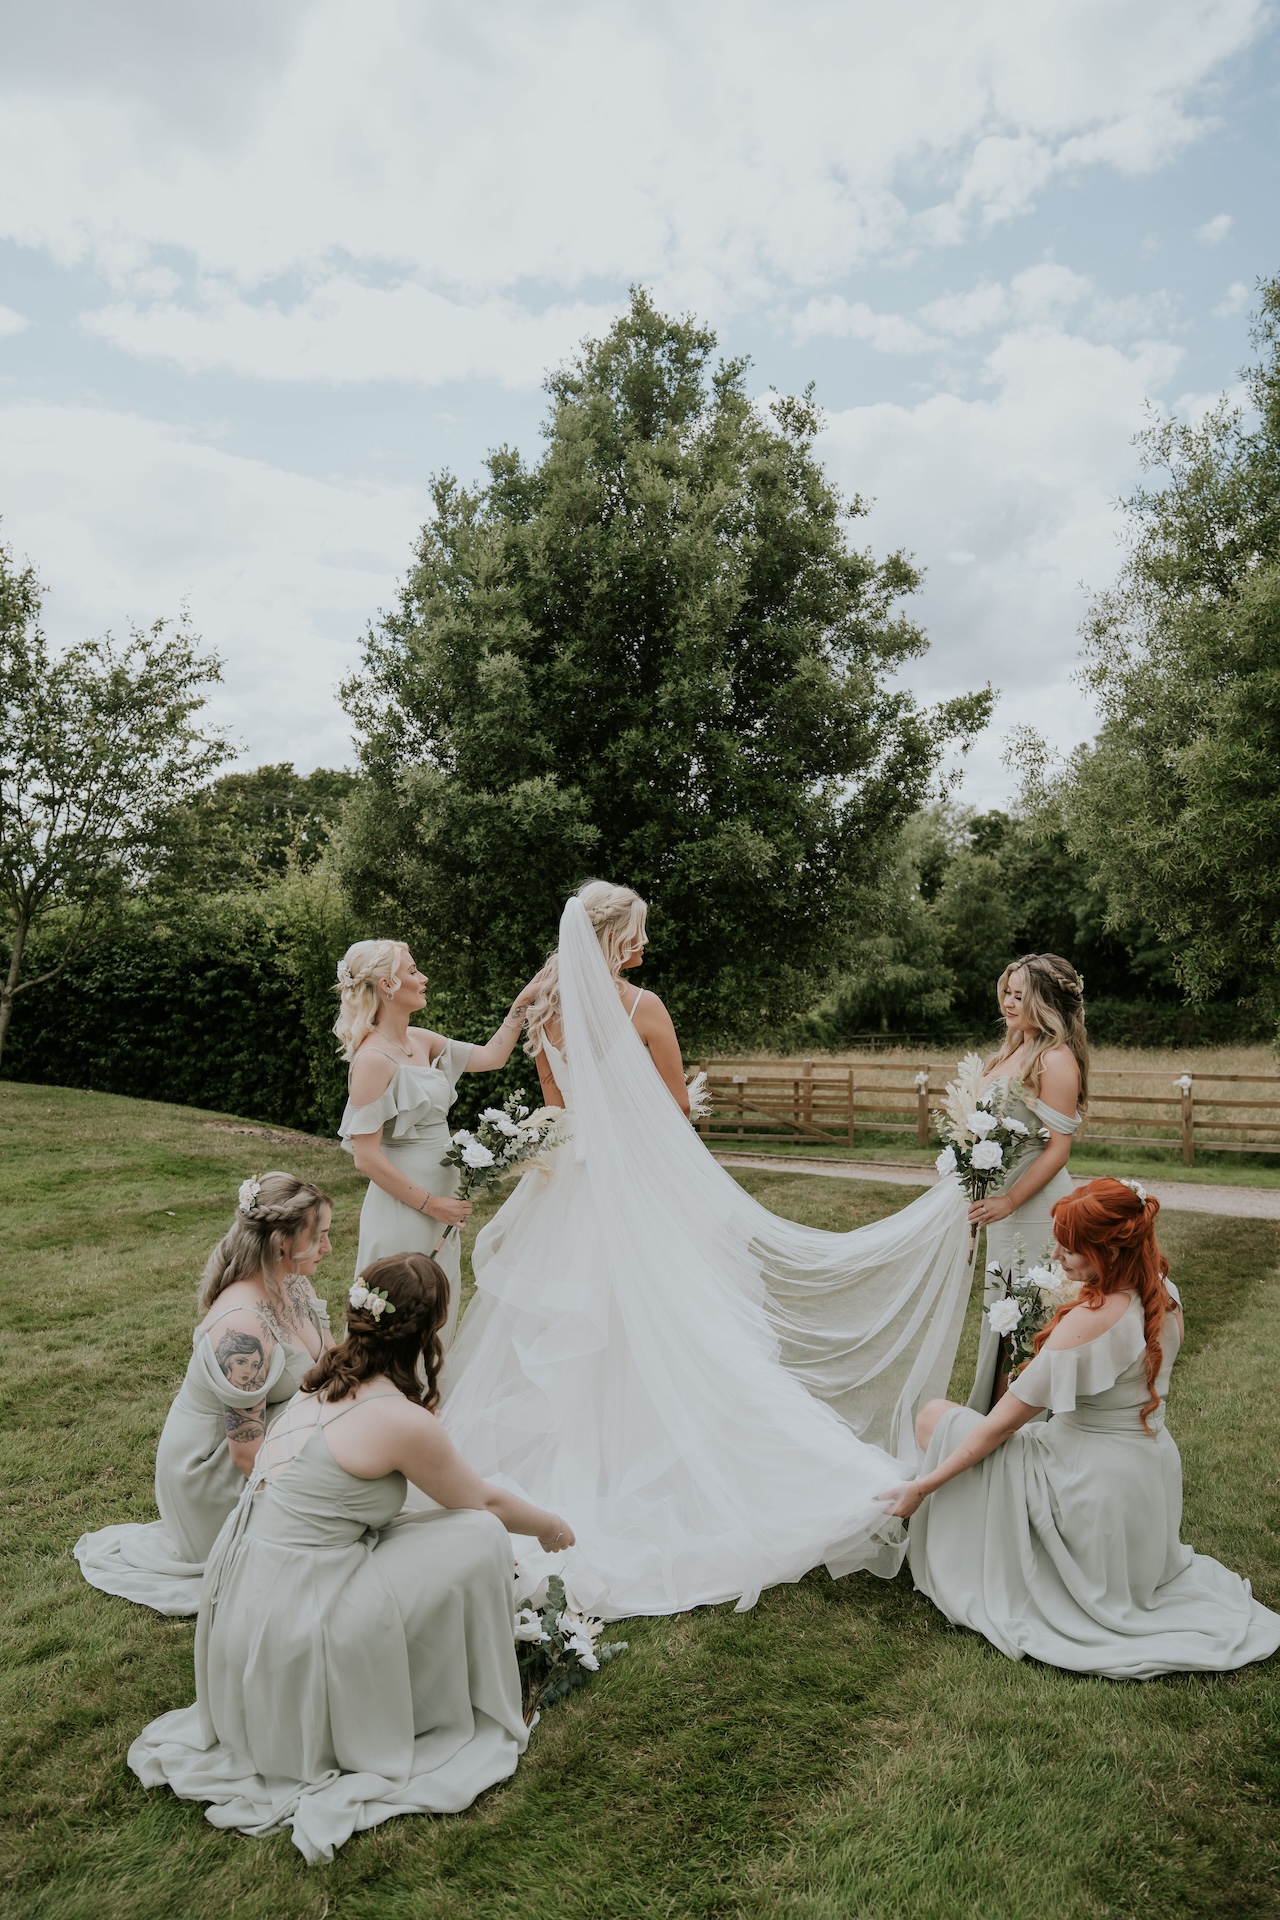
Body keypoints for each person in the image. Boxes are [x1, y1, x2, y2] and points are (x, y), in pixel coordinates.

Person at [441, 881, 976, 1621]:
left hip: (569, 1191)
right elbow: (675, 1113)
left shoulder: (544, 1013)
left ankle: (577, 1475)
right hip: (635, 1189)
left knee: (566, 1334)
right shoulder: (642, 1008)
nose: (645, 945)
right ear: (609, 938)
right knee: (683, 1325)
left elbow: (558, 1113)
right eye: (636, 933)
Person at [129, 1253, 573, 1864]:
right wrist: (550, 1526)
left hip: (240, 1606)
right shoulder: (396, 1417)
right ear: (429, 1332)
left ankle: (409, 1671)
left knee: (423, 1529)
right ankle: (431, 1692)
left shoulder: (320, 1379)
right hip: (295, 1618)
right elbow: (483, 1500)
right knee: (477, 1536)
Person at [887, 1179, 1280, 1678]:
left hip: (1087, 1488)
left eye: (1069, 1248)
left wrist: (924, 1487)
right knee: (963, 1433)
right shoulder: (1162, 1293)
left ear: (1108, 1250)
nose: (1056, 1255)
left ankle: (958, 1515)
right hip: (1146, 1481)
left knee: (934, 1419)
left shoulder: (1090, 1321)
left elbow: (998, 1428)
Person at [74, 1173, 334, 1614]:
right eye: (321, 1236)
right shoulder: (240, 1327)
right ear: (281, 1242)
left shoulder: (293, 1282)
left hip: (273, 1435)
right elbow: (247, 1457)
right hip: (212, 1469)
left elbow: (327, 1365)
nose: (328, 1248)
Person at [335, 939, 538, 1352]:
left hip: (441, 1200)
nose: (423, 978)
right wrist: (432, 1204)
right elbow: (366, 1158)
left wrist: (523, 1003)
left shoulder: (421, 1040)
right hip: (405, 1208)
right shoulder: (372, 1060)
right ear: (388, 985)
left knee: (435, 1314)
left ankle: (425, 1403)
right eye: (413, 971)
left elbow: (493, 1056)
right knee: (394, 1316)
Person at [966, 953, 1087, 1412]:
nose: (1009, 1003)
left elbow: (1058, 1148)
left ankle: (1018, 1439)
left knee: (1027, 1326)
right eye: (1008, 993)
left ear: (1047, 1001)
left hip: (1037, 1212)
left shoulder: (1055, 1060)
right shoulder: (1012, 1049)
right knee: (1004, 1324)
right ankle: (992, 1436)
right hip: (1004, 1208)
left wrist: (1010, 1198)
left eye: (1021, 995)